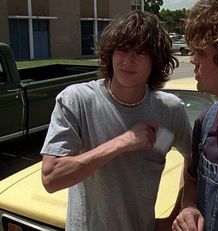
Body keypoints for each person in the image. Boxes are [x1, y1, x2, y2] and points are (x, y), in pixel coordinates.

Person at [41, 10, 192, 231]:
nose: (128, 61)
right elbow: (51, 178)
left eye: (140, 52)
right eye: (121, 50)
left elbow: (192, 160)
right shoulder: (78, 101)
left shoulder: (168, 111)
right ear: (110, 54)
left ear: (155, 61)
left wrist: (179, 211)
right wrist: (122, 142)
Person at [172, 0, 218, 230]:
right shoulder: (205, 121)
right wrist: (188, 207)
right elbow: (192, 181)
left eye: (200, 52)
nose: (192, 60)